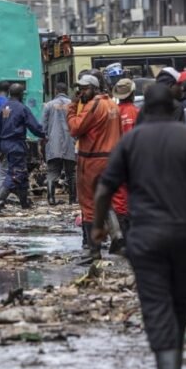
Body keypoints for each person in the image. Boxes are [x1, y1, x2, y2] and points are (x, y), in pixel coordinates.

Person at [92, 84, 186, 369]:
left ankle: (168, 365)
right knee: (181, 298)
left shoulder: (130, 142)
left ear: (146, 109)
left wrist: (98, 228)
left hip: (146, 238)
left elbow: (104, 190)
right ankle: (173, 361)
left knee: (155, 302)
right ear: (173, 107)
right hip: (185, 236)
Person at [67, 73, 122, 264]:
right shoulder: (112, 105)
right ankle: (116, 236)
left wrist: (72, 107)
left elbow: (75, 128)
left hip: (92, 160)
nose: (81, 93)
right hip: (110, 158)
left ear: (94, 88)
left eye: (84, 89)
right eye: (80, 89)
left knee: (89, 206)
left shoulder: (93, 105)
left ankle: (93, 250)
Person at [0, 83, 46, 212]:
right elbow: (34, 126)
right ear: (21, 94)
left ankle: (24, 203)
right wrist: (44, 134)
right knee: (16, 174)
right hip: (16, 144)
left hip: (4, 144)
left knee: (22, 174)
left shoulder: (2, 107)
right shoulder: (22, 108)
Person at [109, 78, 140, 253]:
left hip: (114, 159)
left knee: (119, 199)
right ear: (133, 94)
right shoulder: (136, 112)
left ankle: (120, 236)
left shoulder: (112, 112)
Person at [41, 82, 76, 205]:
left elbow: (43, 127)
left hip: (53, 143)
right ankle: (72, 199)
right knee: (71, 173)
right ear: (66, 91)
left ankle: (51, 198)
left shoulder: (48, 105)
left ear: (56, 91)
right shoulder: (72, 104)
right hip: (70, 142)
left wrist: (43, 141)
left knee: (52, 173)